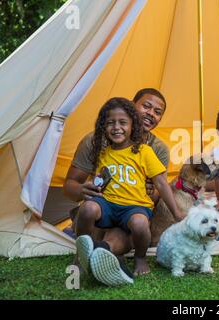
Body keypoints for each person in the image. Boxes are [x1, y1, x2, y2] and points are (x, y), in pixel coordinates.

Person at [63, 88, 170, 281]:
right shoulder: (95, 141)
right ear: (131, 106)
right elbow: (69, 187)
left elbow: (156, 194)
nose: (150, 114)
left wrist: (143, 193)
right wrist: (81, 189)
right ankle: (97, 254)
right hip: (99, 209)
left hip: (130, 211)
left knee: (130, 228)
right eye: (146, 106)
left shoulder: (157, 149)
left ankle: (102, 254)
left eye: (157, 112)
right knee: (92, 218)